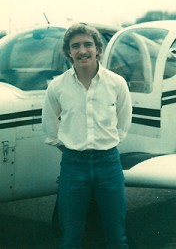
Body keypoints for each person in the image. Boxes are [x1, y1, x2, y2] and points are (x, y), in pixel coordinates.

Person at [42, 23, 132, 248]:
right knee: (70, 237)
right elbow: (50, 128)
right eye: (75, 46)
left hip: (109, 164)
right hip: (74, 166)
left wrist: (106, 144)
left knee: (117, 236)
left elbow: (123, 123)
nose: (82, 51)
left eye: (87, 44)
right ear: (68, 52)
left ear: (97, 48)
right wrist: (71, 148)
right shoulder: (57, 86)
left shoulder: (116, 83)